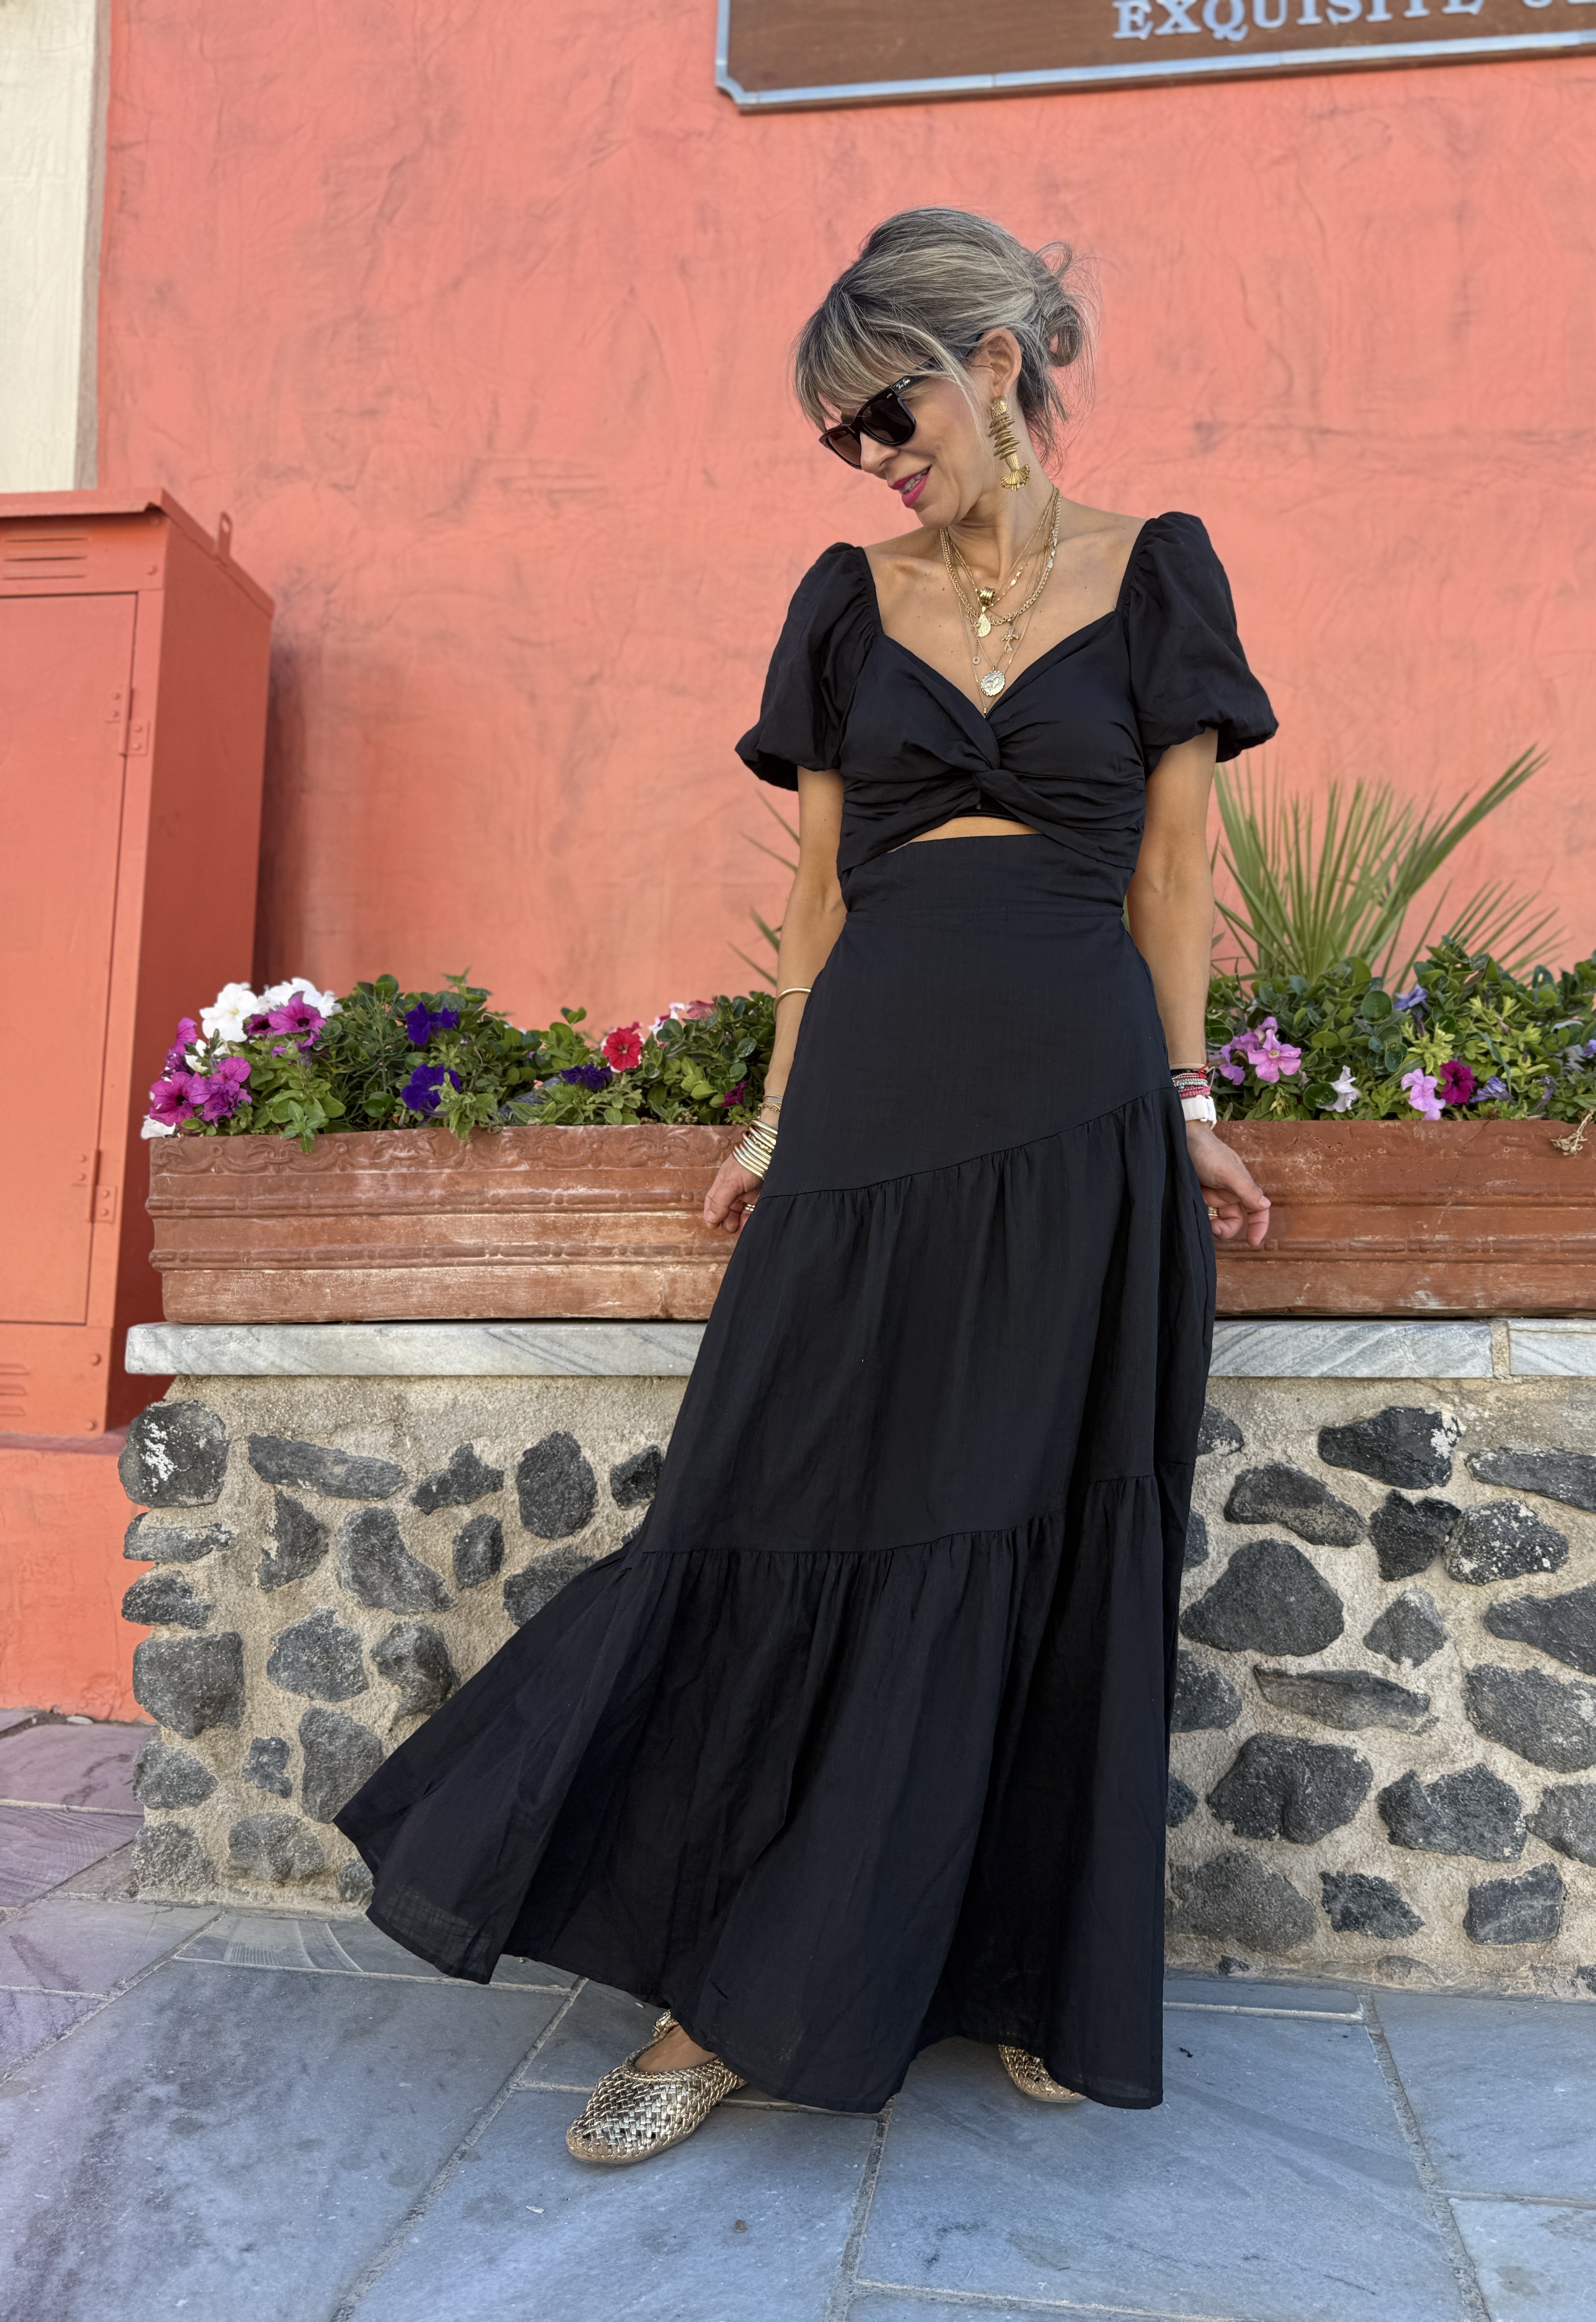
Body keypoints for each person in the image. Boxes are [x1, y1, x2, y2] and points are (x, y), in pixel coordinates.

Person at [337, 206, 1275, 2165]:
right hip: (876, 1089)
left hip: (1083, 1098)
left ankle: (1030, 1971)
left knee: (1040, 1526)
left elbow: (1177, 868)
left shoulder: (1160, 571)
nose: (867, 459)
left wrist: (1191, 1100)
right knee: (783, 1503)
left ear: (994, 366)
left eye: (885, 415)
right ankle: (721, 1990)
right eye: (840, 436)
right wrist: (775, 1123)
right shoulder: (848, 600)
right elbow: (822, 895)